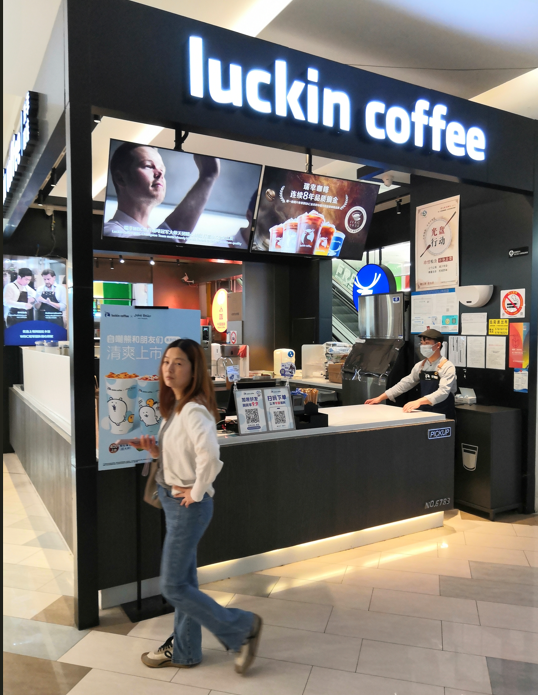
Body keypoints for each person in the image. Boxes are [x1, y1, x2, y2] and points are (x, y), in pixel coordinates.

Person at [127, 339, 262, 674]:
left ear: (193, 369)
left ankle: (241, 626)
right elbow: (184, 454)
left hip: (187, 507)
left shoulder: (192, 410)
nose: (169, 369)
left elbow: (211, 455)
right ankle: (185, 650)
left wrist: (198, 491)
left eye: (178, 363)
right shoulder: (176, 407)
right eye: (166, 362)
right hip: (174, 502)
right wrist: (157, 453)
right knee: (184, 583)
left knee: (173, 586)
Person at [103, 143, 220, 242]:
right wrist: (207, 177)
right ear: (120, 179)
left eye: (162, 170)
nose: (160, 174)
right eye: (148, 166)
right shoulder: (109, 232)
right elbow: (157, 245)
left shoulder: (151, 233)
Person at [365, 329, 457, 419]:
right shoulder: (420, 366)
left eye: (427, 343)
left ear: (438, 345)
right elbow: (405, 383)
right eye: (422, 343)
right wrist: (380, 398)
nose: (423, 346)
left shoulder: (447, 367)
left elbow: (443, 392)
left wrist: (418, 402)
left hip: (444, 414)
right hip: (425, 413)